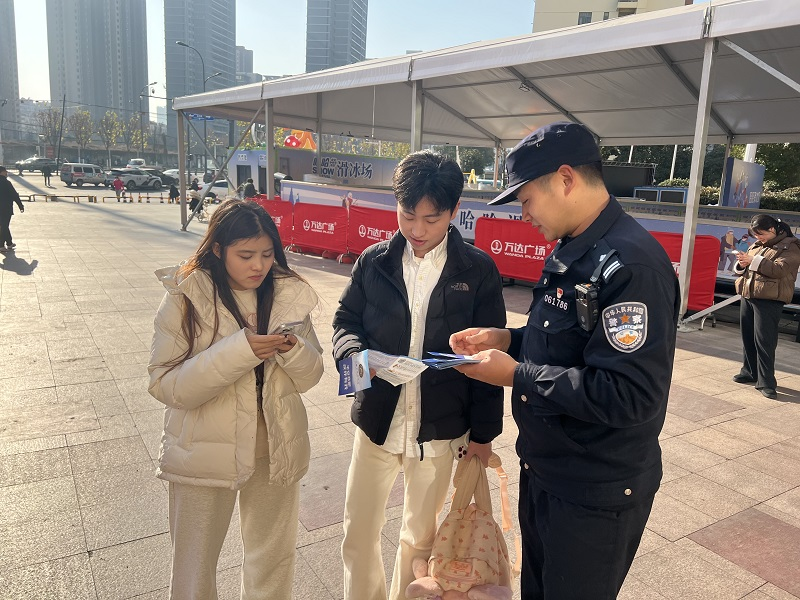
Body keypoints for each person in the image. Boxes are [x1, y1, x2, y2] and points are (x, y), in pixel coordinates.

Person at [449, 122, 680, 600]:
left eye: (527, 199)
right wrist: (509, 339)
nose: (523, 214)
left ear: (566, 179)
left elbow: (629, 394)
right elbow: (565, 343)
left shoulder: (630, 266)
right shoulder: (575, 248)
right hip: (548, 472)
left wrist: (516, 375)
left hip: (593, 492)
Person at [332, 150, 507, 600]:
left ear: (454, 210)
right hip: (376, 421)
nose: (417, 229)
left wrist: (483, 436)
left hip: (440, 430)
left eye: (432, 218)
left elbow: (489, 359)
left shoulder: (478, 270)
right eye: (407, 215)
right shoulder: (374, 261)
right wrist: (357, 358)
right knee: (358, 532)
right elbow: (346, 321)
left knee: (420, 540)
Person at [148, 198, 324, 600]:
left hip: (275, 447)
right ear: (217, 249)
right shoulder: (185, 295)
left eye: (267, 254)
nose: (258, 266)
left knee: (273, 559)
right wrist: (240, 351)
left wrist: (294, 350)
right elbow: (165, 385)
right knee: (194, 567)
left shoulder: (288, 294)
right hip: (204, 452)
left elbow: (311, 376)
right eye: (245, 255)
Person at [732, 214, 800, 399]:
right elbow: (747, 268)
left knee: (765, 341)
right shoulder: (758, 245)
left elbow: (779, 270)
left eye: (760, 234)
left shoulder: (791, 246)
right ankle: (749, 371)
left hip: (770, 299)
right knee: (748, 337)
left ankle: (767, 382)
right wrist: (742, 263)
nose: (758, 238)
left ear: (772, 230)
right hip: (749, 294)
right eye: (755, 235)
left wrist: (752, 261)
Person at [0, 167, 25, 251]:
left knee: (4, 226)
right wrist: (20, 206)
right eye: (5, 171)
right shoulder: (6, 183)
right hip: (5, 208)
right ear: (2, 172)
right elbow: (14, 195)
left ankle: (9, 243)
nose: (6, 173)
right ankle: (1, 245)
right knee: (4, 226)